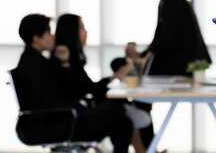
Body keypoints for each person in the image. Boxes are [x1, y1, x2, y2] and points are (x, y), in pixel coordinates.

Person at [15, 14, 133, 153]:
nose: (53, 36)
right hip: (56, 124)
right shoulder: (35, 65)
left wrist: (65, 64)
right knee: (116, 107)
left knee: (123, 123)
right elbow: (51, 101)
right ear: (36, 38)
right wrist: (79, 107)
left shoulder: (35, 60)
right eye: (48, 33)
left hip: (59, 120)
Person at [52, 13, 151, 153]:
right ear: (71, 31)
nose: (86, 32)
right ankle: (127, 109)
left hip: (82, 111)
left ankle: (142, 147)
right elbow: (83, 89)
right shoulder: (61, 60)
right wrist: (65, 64)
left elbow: (88, 87)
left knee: (124, 124)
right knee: (117, 106)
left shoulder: (74, 58)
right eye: (81, 28)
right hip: (74, 118)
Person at [125, 0, 211, 76]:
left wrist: (142, 55)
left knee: (136, 69)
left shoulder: (173, 0)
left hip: (184, 63)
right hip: (180, 59)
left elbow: (166, 39)